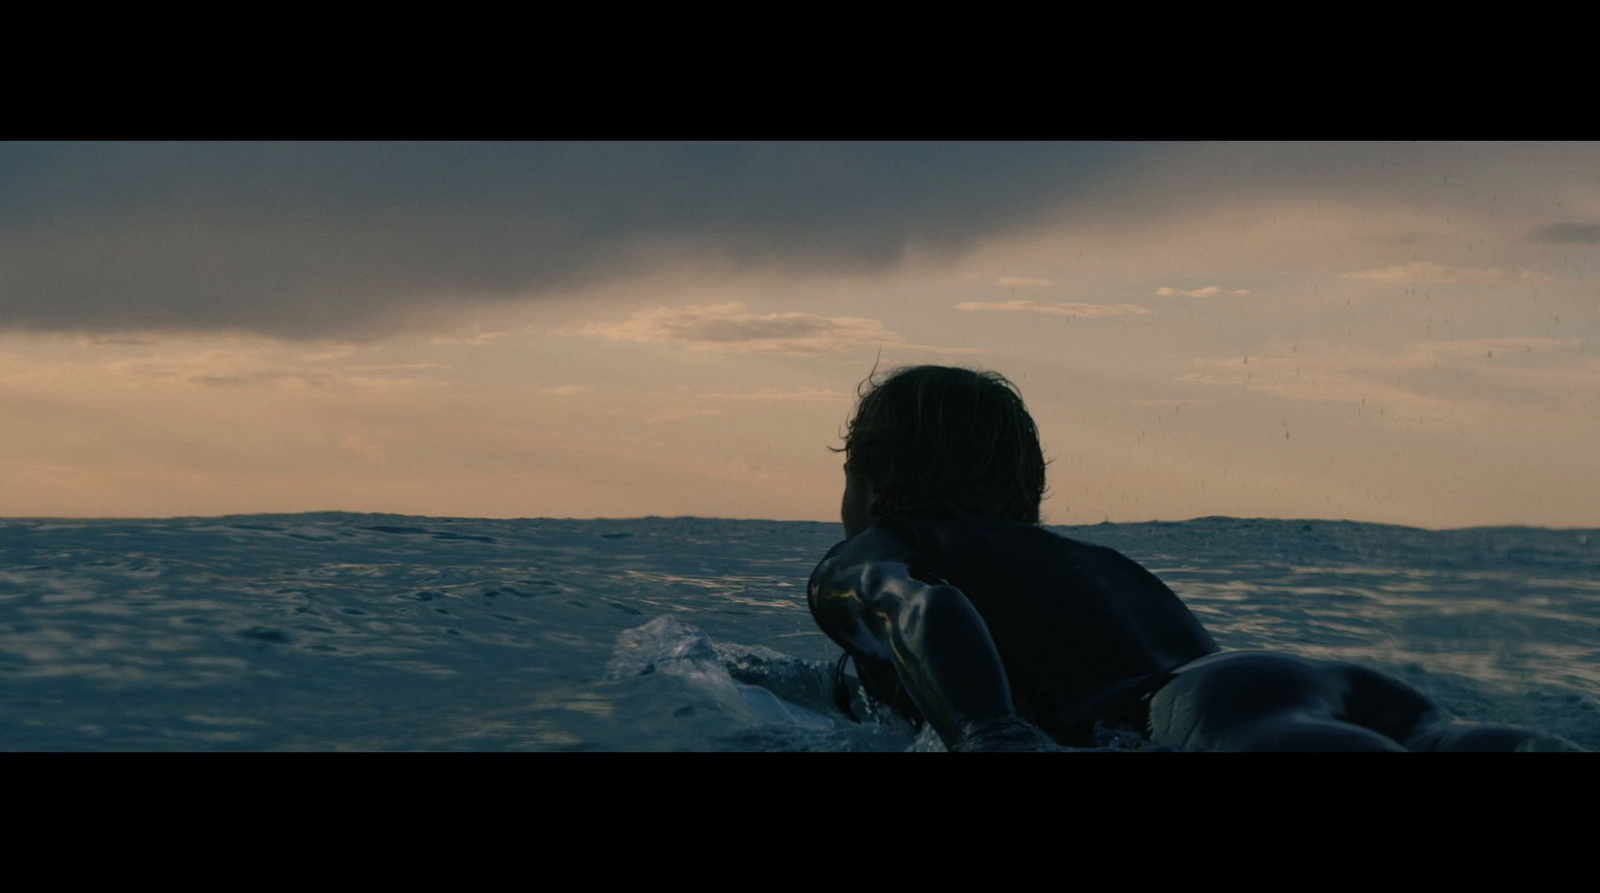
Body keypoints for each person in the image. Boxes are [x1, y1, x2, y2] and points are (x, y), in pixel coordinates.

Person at [808, 365, 1584, 752]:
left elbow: (918, 607)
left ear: (875, 488)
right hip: (1311, 681)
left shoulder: (889, 547)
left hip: (1207, 720)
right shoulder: (1089, 560)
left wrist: (986, 730)